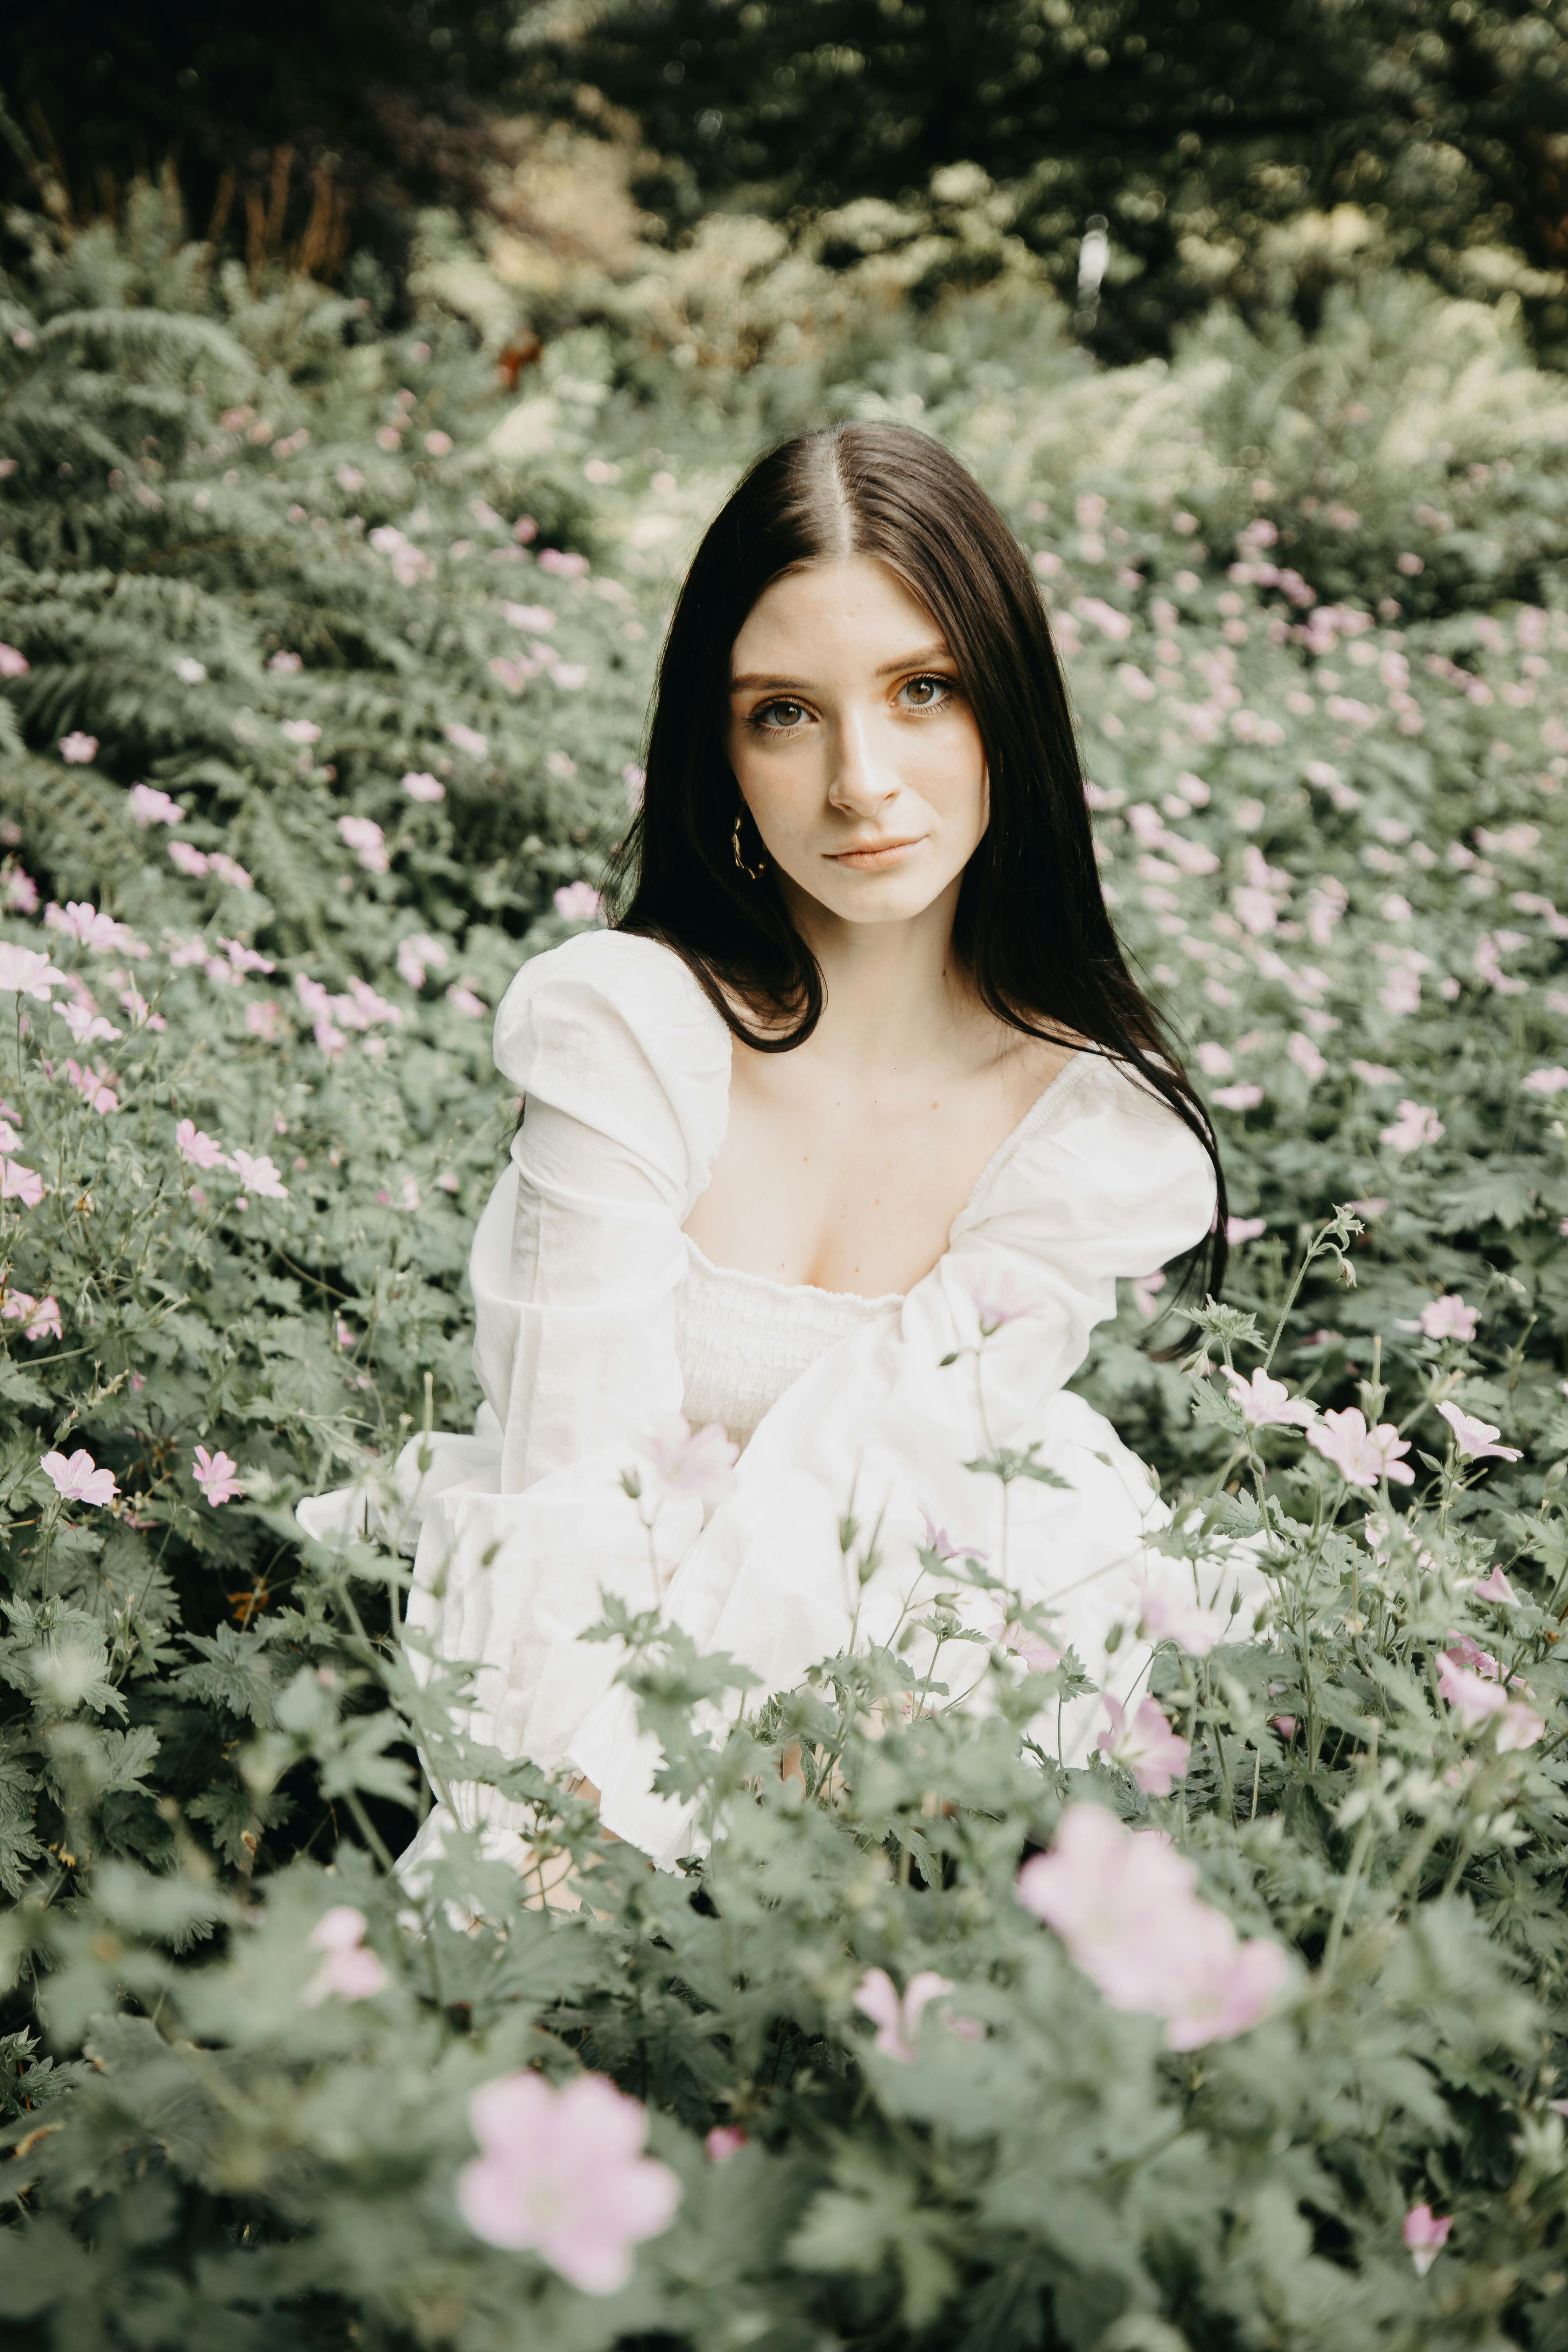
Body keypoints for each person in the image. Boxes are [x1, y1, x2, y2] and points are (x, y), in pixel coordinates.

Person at [300, 422, 1253, 1881]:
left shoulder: (1083, 1130)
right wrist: (539, 1850)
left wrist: (692, 1789)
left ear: (1009, 704)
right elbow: (574, 1487)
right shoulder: (629, 1033)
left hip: (914, 1586)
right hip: (610, 1620)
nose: (861, 781)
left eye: (923, 690)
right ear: (722, 749)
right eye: (786, 714)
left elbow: (862, 1488)